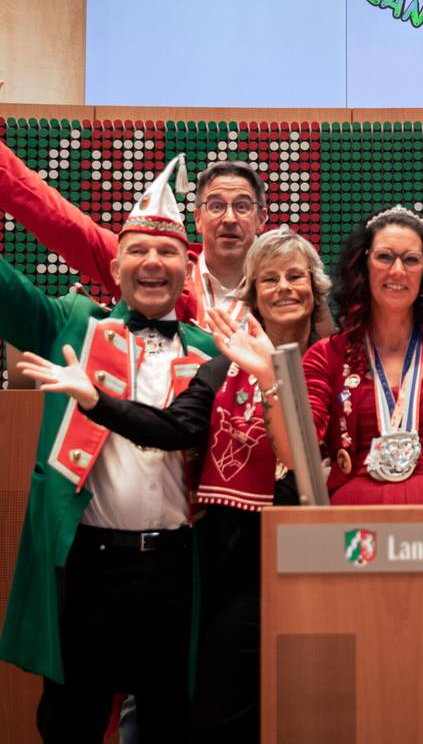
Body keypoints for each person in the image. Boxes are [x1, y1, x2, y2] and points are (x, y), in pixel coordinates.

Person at [17, 227, 334, 742]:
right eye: (269, 278)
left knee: (317, 703)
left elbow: (307, 461)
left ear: (317, 288)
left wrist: (270, 375)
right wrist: (95, 401)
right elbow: (170, 429)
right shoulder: (220, 365)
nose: (283, 289)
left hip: (312, 557)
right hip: (226, 567)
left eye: (295, 276)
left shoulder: (337, 359)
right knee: (198, 718)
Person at [0, 156, 217, 743]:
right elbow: (7, 292)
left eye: (168, 252)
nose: (153, 262)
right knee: (71, 723)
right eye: (138, 250)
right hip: (89, 567)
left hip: (177, 568)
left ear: (186, 266)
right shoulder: (74, 325)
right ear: (116, 265)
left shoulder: (214, 352)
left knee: (173, 723)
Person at [217, 205, 423, 504]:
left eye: (411, 260)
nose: (397, 270)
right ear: (363, 266)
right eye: (384, 257)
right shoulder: (328, 355)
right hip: (354, 536)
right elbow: (296, 456)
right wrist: (268, 377)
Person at [0, 138, 267, 325]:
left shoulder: (288, 283)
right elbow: (60, 221)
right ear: (197, 218)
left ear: (261, 218)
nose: (229, 218)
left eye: (242, 206)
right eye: (217, 205)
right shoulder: (158, 266)